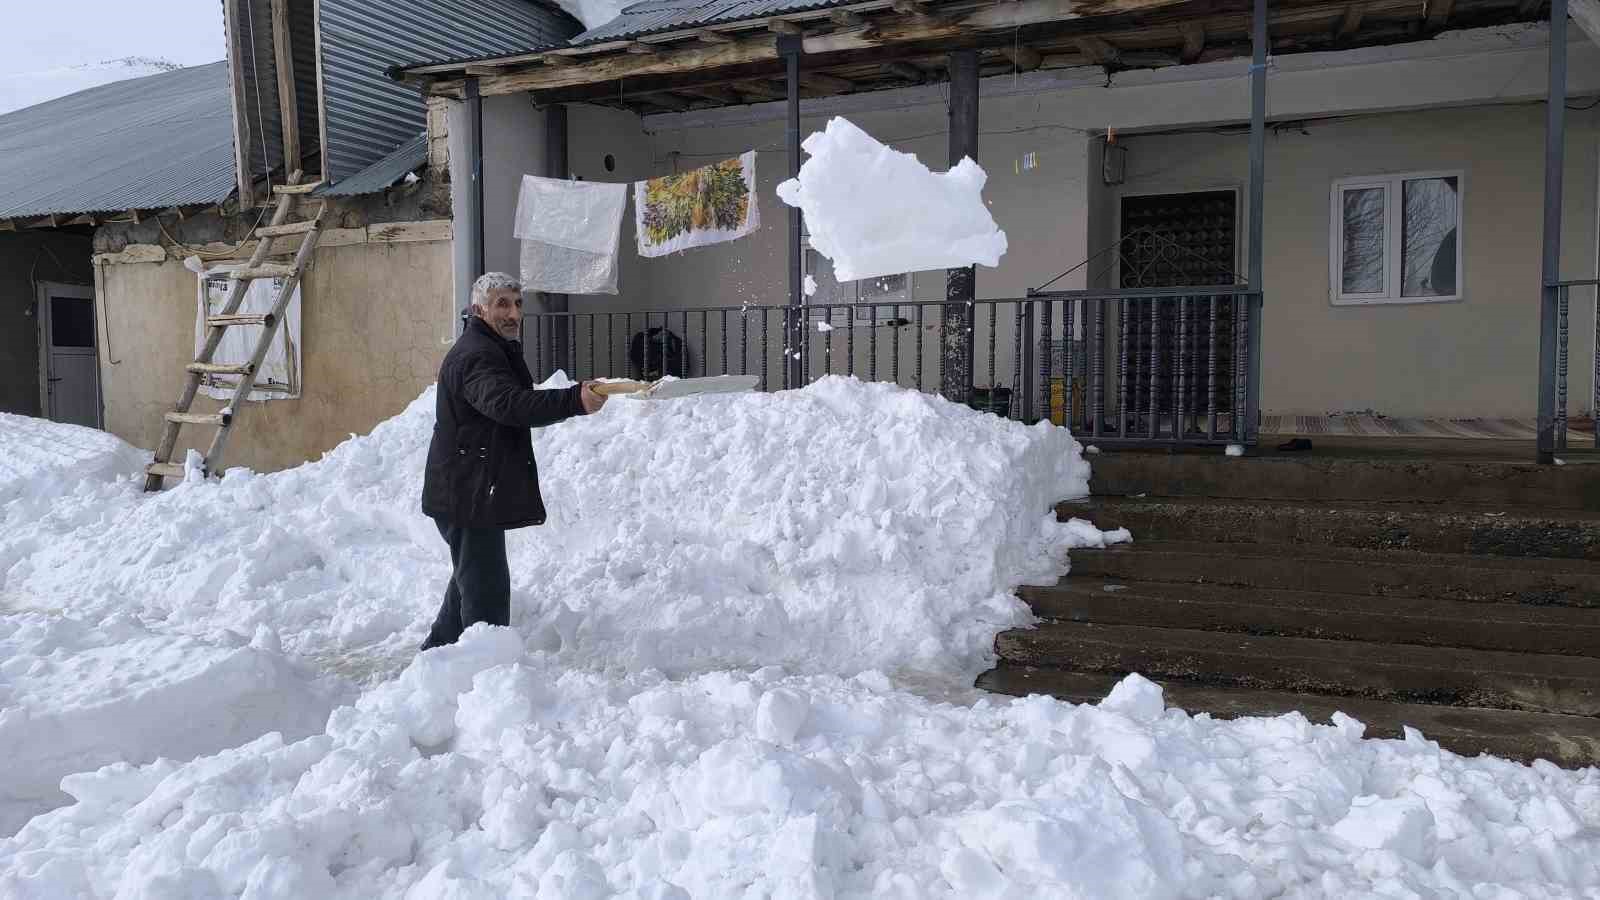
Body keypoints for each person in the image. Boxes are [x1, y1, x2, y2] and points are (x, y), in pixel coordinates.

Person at [419, 272, 606, 651]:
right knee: (484, 587)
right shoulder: (477, 356)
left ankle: (437, 657)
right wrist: (573, 401)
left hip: (469, 486)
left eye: (518, 304)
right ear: (478, 309)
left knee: (470, 578)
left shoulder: (492, 348)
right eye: (502, 304)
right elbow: (507, 404)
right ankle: (485, 674)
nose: (513, 313)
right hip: (467, 490)